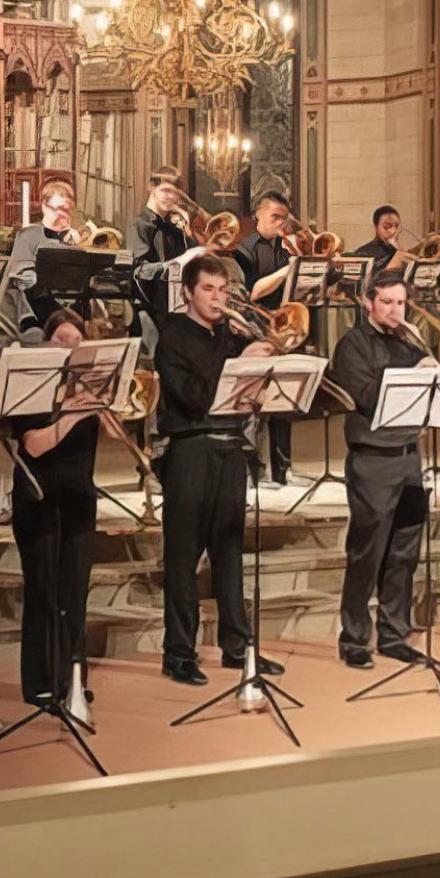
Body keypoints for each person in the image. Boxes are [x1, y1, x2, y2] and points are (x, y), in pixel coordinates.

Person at [153, 254, 281, 685]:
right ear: (188, 291)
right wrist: (241, 358)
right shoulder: (172, 337)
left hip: (230, 452)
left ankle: (238, 646)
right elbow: (194, 397)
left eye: (223, 290)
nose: (217, 298)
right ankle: (179, 653)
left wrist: (261, 365)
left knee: (229, 556)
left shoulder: (229, 335)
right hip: (190, 451)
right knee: (183, 557)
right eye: (208, 289)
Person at [327, 268, 432, 669]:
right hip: (372, 457)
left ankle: (393, 632)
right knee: (366, 553)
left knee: (404, 551)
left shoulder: (411, 340)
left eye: (401, 303)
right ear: (368, 302)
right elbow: (366, 394)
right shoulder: (352, 344)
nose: (394, 310)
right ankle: (353, 638)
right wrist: (413, 375)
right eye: (387, 302)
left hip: (408, 453)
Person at [12, 307, 101, 702]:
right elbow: (33, 444)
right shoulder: (29, 386)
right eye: (61, 339)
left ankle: (73, 679)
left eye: (75, 341)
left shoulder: (88, 385)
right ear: (47, 343)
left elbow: (116, 434)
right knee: (44, 594)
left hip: (79, 498)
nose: (68, 347)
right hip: (39, 500)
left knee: (74, 594)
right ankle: (42, 683)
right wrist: (71, 414)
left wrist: (104, 403)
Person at [233, 189, 296, 487]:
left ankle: (283, 468)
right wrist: (288, 270)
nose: (280, 223)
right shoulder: (243, 249)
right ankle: (251, 469)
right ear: (258, 214)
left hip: (283, 330)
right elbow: (252, 291)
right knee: (254, 402)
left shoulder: (287, 248)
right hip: (254, 330)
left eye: (284, 218)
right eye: (275, 217)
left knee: (283, 399)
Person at [2, 179, 77, 332]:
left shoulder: (75, 237)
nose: (62, 214)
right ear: (44, 206)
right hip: (39, 305)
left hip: (72, 302)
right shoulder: (29, 235)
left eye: (67, 210)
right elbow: (22, 279)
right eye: (57, 209)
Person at [130, 169, 191, 342]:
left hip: (174, 310)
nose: (170, 197)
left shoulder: (174, 230)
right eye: (165, 190)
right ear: (152, 188)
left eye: (175, 194)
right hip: (147, 312)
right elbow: (139, 272)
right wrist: (175, 263)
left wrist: (187, 232)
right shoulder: (138, 225)